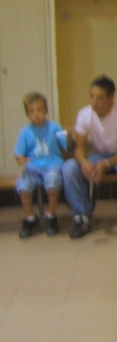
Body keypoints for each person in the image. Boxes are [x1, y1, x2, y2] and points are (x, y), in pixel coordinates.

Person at [62, 75, 117, 240]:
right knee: (69, 168)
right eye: (91, 96)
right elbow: (80, 148)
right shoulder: (84, 115)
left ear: (111, 99)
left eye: (99, 98)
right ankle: (82, 217)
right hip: (98, 155)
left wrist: (106, 164)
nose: (94, 102)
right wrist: (84, 163)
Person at [13, 92, 66, 238]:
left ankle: (51, 215)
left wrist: (68, 135)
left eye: (40, 110)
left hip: (52, 164)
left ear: (46, 111)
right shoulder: (25, 131)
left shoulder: (55, 127)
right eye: (32, 111)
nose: (36, 114)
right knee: (23, 185)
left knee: (53, 183)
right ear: (27, 114)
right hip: (33, 167)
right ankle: (30, 217)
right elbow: (19, 153)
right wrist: (21, 159)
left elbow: (66, 145)